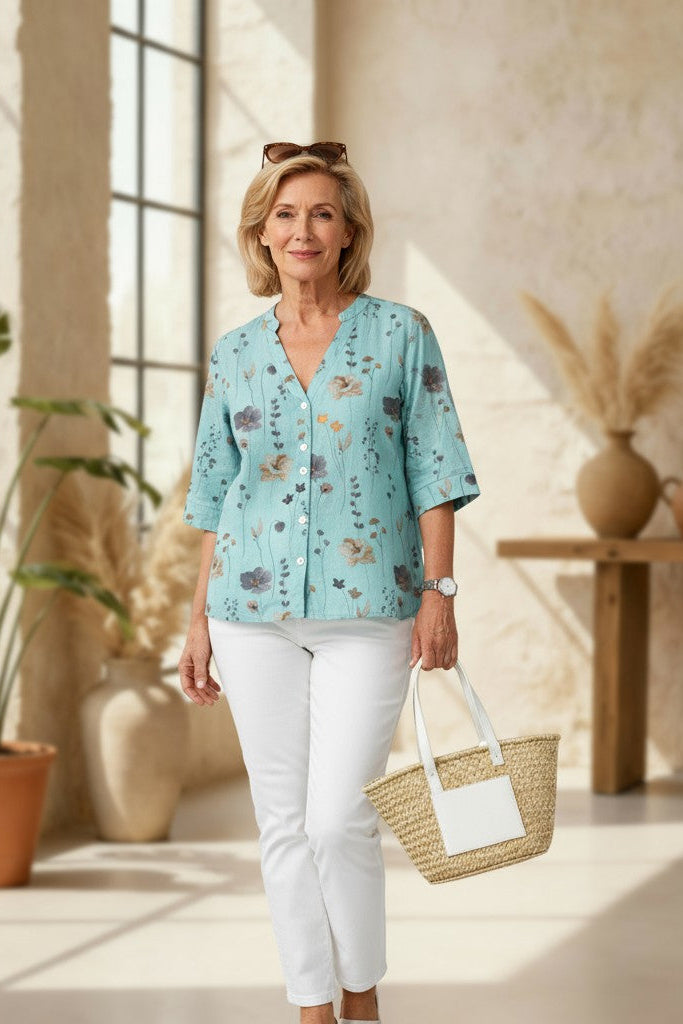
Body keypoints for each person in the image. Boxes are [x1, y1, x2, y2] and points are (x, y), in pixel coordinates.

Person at [179, 141, 480, 1024]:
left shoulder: (400, 334)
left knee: (338, 819)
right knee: (280, 823)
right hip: (249, 614)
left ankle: (361, 992)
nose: (301, 229)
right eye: (284, 214)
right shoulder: (235, 353)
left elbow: (435, 471)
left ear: (348, 232)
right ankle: (312, 1004)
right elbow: (214, 495)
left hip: (370, 609)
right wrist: (197, 623)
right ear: (261, 233)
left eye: (321, 213)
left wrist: (439, 595)